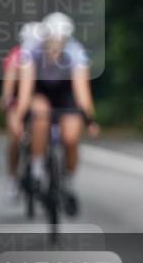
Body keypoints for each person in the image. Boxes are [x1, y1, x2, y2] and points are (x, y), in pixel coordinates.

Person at [10, 12, 100, 216]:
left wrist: (89, 118)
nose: (56, 45)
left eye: (61, 40)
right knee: (40, 115)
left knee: (71, 137)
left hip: (65, 91)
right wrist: (21, 117)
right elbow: (26, 88)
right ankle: (37, 168)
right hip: (40, 90)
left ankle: (67, 180)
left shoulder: (76, 51)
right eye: (52, 39)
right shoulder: (31, 49)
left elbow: (81, 89)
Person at [0, 21, 41, 200]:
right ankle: (12, 177)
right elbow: (8, 87)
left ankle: (43, 163)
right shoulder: (16, 56)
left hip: (39, 100)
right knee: (16, 137)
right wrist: (7, 99)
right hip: (18, 100)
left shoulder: (47, 56)